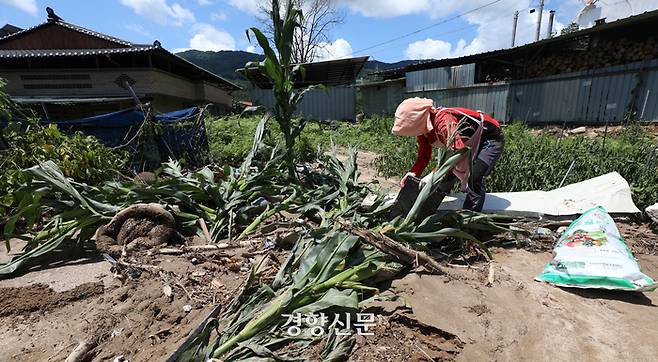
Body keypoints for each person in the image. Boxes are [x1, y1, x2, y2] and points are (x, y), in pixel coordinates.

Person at [392, 97, 504, 212]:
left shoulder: (443, 121)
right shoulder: (424, 129)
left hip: (490, 138)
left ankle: (469, 217)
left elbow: (458, 153)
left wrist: (433, 175)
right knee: (443, 181)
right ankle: (432, 210)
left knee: (475, 177)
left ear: (417, 120)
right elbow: (424, 156)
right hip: (464, 145)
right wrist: (413, 173)